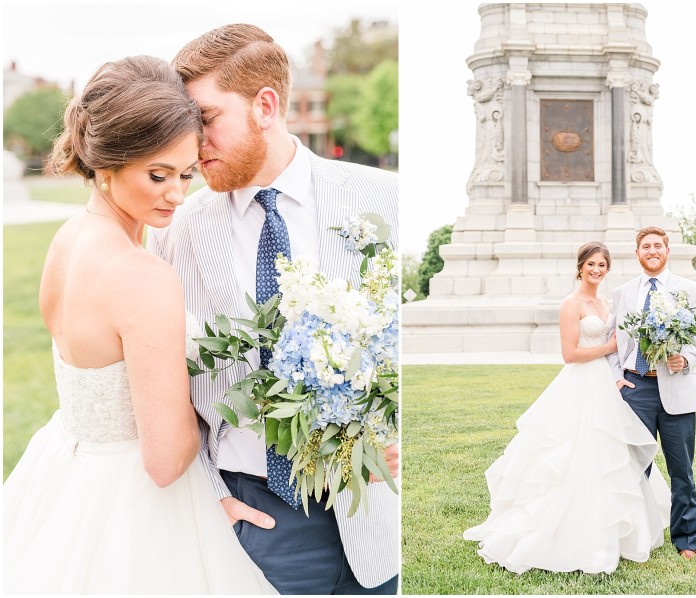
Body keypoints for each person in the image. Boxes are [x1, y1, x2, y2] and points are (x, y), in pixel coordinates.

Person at [2, 56, 276, 594]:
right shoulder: (141, 275)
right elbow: (166, 459)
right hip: (134, 509)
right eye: (158, 175)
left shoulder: (68, 240)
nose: (177, 194)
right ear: (106, 164)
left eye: (186, 174)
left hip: (66, 470)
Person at [148, 24, 399, 595]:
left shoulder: (383, 200)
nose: (192, 145)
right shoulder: (177, 233)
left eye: (205, 119)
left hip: (379, 510)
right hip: (255, 520)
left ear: (265, 106)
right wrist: (211, 497)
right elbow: (163, 383)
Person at [463, 242, 670, 575]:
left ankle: (611, 530)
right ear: (580, 267)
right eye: (591, 264)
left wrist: (620, 369)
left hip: (607, 383)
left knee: (608, 455)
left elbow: (618, 349)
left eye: (602, 265)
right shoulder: (570, 304)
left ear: (608, 269)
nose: (597, 270)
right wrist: (609, 345)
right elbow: (570, 354)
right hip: (580, 383)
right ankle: (562, 532)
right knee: (571, 453)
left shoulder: (607, 301)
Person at [607, 226, 696, 560]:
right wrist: (616, 377)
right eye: (646, 246)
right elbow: (612, 342)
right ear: (637, 253)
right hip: (635, 388)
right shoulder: (623, 293)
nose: (652, 251)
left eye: (658, 246)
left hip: (676, 386)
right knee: (634, 465)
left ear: (667, 251)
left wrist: (687, 359)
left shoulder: (690, 290)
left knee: (682, 469)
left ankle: (687, 539)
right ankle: (636, 534)